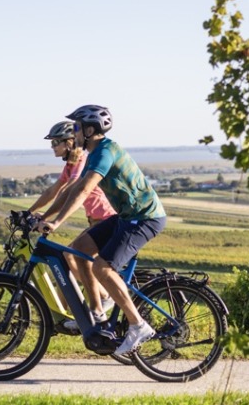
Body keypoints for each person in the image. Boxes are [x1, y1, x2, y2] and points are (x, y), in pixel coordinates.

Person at [37, 105, 167, 357]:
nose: (73, 133)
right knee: (76, 251)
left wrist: (56, 223)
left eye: (76, 127)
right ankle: (96, 315)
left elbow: (85, 190)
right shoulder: (94, 154)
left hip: (144, 218)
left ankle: (138, 325)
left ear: (89, 130)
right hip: (126, 217)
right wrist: (44, 216)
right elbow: (74, 190)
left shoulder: (106, 152)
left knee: (102, 268)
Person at [27, 121, 118, 327]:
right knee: (69, 257)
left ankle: (103, 299)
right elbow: (54, 190)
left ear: (69, 142)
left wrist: (51, 220)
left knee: (71, 255)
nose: (52, 147)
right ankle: (85, 310)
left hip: (105, 219)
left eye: (56, 143)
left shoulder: (81, 161)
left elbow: (71, 191)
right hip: (96, 220)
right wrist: (30, 212)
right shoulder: (70, 164)